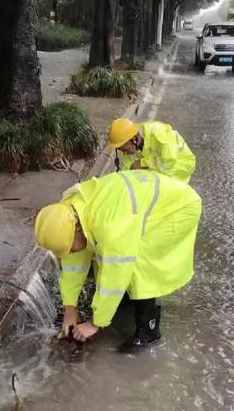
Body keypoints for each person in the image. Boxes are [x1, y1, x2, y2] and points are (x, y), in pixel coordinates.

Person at [34, 170, 201, 349]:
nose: (68, 254)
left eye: (69, 248)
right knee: (114, 261)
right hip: (147, 202)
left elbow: (115, 275)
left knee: (138, 264)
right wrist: (70, 309)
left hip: (178, 208)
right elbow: (73, 266)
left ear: (77, 230)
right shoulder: (67, 215)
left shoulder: (109, 227)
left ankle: (148, 334)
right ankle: (128, 300)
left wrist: (95, 323)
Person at [107, 118, 196, 183]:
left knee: (157, 184)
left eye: (125, 149)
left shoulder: (159, 134)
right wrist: (118, 181)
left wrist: (142, 163)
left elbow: (168, 162)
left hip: (180, 163)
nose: (124, 153)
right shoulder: (130, 140)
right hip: (161, 163)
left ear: (134, 139)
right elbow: (128, 168)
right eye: (121, 150)